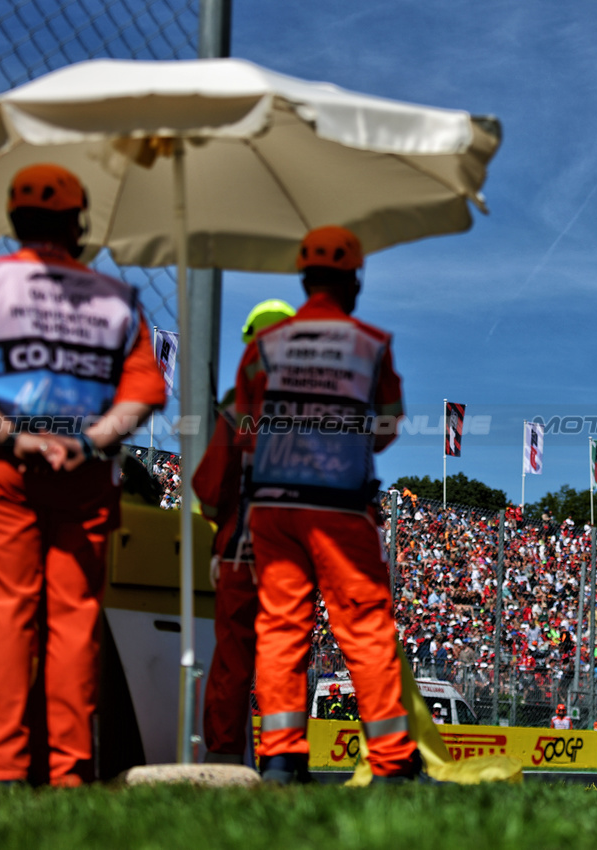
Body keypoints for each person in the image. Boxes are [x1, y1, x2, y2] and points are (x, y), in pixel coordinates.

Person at [0, 163, 166, 786]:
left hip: (3, 466)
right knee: (74, 619)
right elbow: (144, 391)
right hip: (84, 474)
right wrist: (88, 443)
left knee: (5, 616)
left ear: (14, 219)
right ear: (80, 223)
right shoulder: (117, 300)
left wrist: (10, 435)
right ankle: (71, 770)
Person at [234, 225, 417, 784]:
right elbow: (387, 426)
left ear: (303, 277)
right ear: (354, 281)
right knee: (363, 624)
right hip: (340, 506)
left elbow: (244, 429)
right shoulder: (371, 343)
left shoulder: (265, 346)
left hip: (273, 504)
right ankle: (390, 762)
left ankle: (282, 759)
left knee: (282, 626)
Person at [194, 300, 296, 764]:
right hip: (295, 550)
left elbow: (212, 487)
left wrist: (222, 526)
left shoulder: (240, 399)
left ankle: (224, 755)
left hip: (243, 546)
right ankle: (282, 760)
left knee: (234, 657)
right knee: (286, 655)